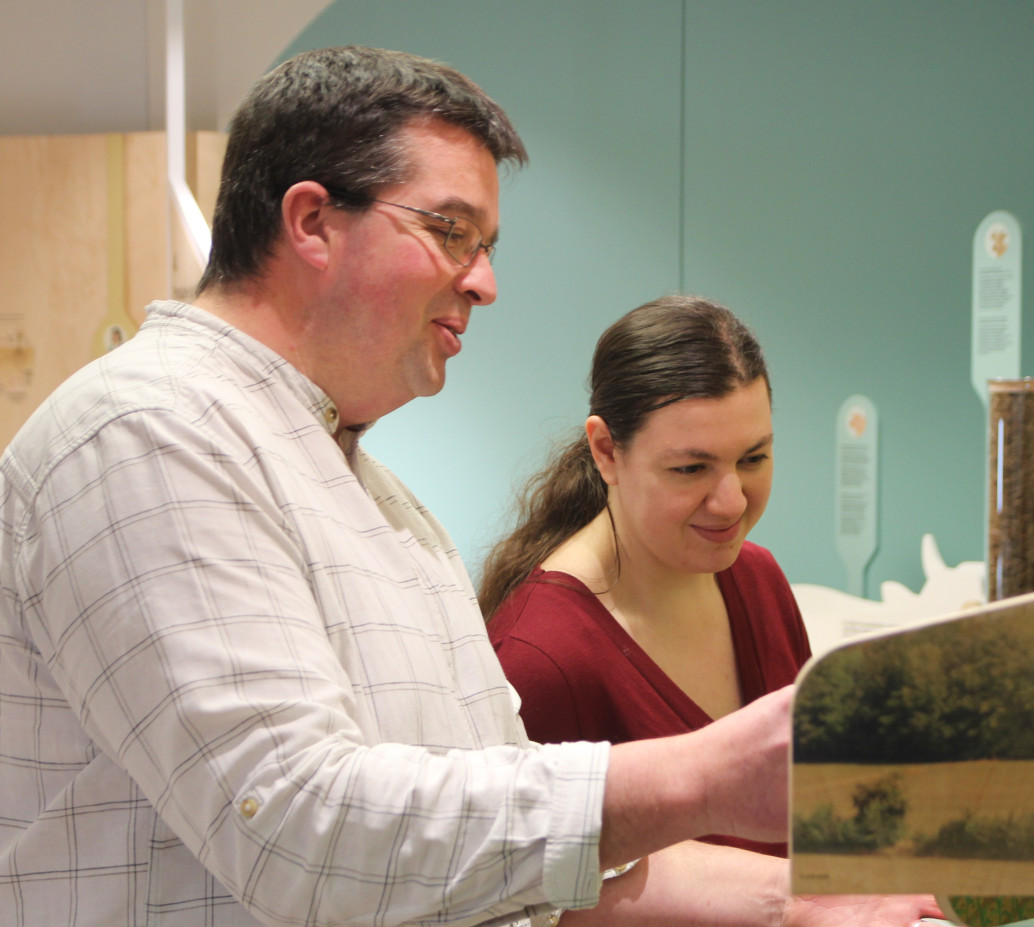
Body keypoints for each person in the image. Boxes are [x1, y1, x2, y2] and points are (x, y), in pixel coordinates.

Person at [0, 45, 941, 927]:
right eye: (451, 231)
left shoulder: (377, 499)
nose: (484, 282)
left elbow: (508, 832)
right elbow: (299, 827)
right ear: (312, 222)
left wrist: (803, 900)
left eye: (485, 242)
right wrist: (704, 774)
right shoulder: (151, 431)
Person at [483, 296, 810, 860]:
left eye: (753, 459)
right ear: (607, 451)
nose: (732, 501)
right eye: (690, 469)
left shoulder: (758, 578)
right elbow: (527, 897)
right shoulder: (540, 658)